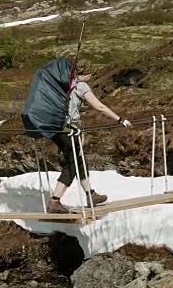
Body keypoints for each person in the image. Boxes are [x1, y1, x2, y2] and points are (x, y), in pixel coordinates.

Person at [46, 59, 132, 214]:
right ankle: (54, 201)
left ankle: (90, 194)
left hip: (55, 129)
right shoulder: (81, 86)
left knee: (79, 161)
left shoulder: (62, 84)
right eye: (91, 72)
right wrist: (120, 119)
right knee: (72, 165)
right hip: (69, 130)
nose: (93, 75)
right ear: (86, 72)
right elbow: (99, 106)